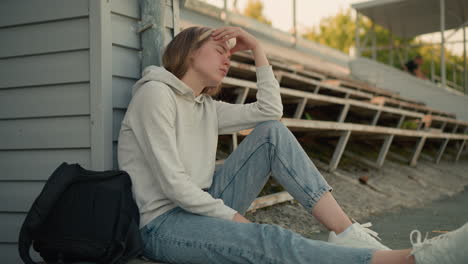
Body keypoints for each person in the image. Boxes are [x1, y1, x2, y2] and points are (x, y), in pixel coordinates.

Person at [117, 26, 467, 264]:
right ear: (189, 52)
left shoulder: (204, 105)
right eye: (219, 50)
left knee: (271, 132)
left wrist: (257, 49)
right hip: (163, 225)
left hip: (201, 206)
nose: (227, 58)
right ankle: (411, 260)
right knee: (268, 239)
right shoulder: (155, 95)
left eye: (230, 52)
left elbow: (271, 111)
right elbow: (173, 184)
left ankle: (346, 233)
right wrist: (237, 220)